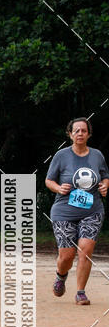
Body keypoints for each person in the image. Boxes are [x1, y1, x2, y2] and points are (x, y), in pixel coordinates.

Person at [45, 118, 109, 304]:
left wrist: (105, 186)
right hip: (64, 211)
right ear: (70, 134)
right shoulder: (61, 156)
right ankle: (61, 275)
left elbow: (105, 177)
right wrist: (58, 188)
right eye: (76, 131)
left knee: (85, 251)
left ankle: (81, 292)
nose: (80, 133)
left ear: (89, 134)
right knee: (67, 255)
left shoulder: (97, 155)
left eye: (83, 130)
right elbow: (49, 181)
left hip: (92, 210)